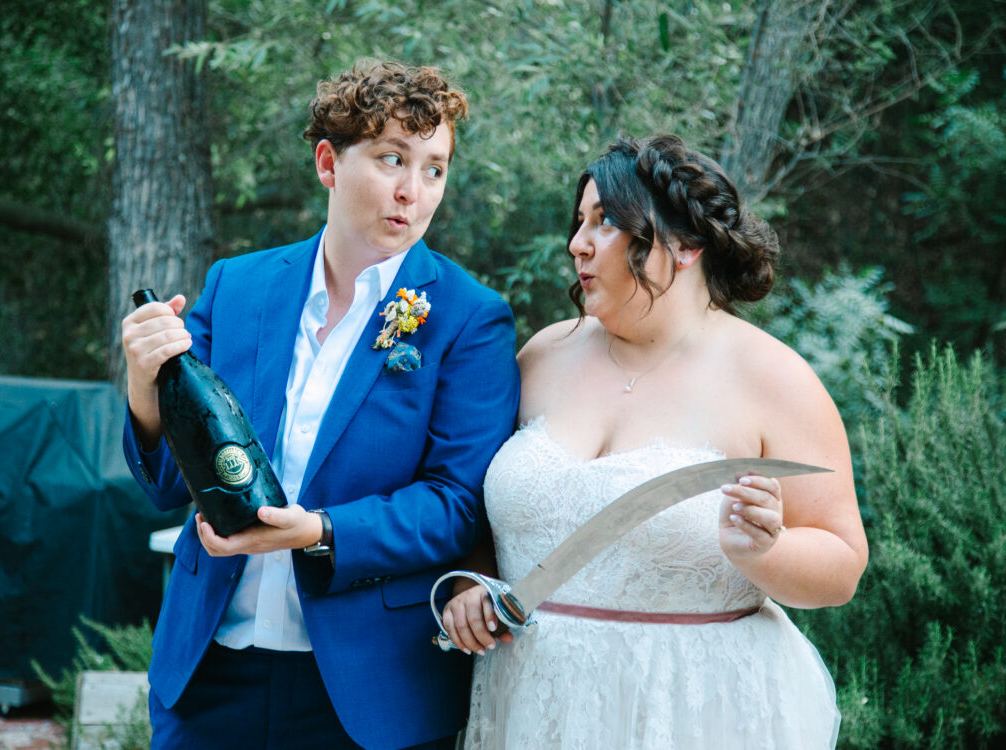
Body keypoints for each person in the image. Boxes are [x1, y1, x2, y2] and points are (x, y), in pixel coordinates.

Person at [121, 60, 520, 750]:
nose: (411, 191)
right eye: (392, 158)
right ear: (328, 162)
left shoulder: (468, 318)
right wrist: (141, 379)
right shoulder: (237, 286)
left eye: (433, 168)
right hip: (207, 679)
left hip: (371, 692)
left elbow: (456, 504)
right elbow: (165, 484)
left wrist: (319, 532)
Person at [440, 134, 868, 749]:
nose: (576, 244)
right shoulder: (543, 354)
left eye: (605, 221)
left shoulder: (775, 380)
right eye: (579, 221)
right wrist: (471, 584)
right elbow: (484, 512)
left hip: (693, 708)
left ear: (686, 244)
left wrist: (764, 551)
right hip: (533, 698)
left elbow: (842, 567)